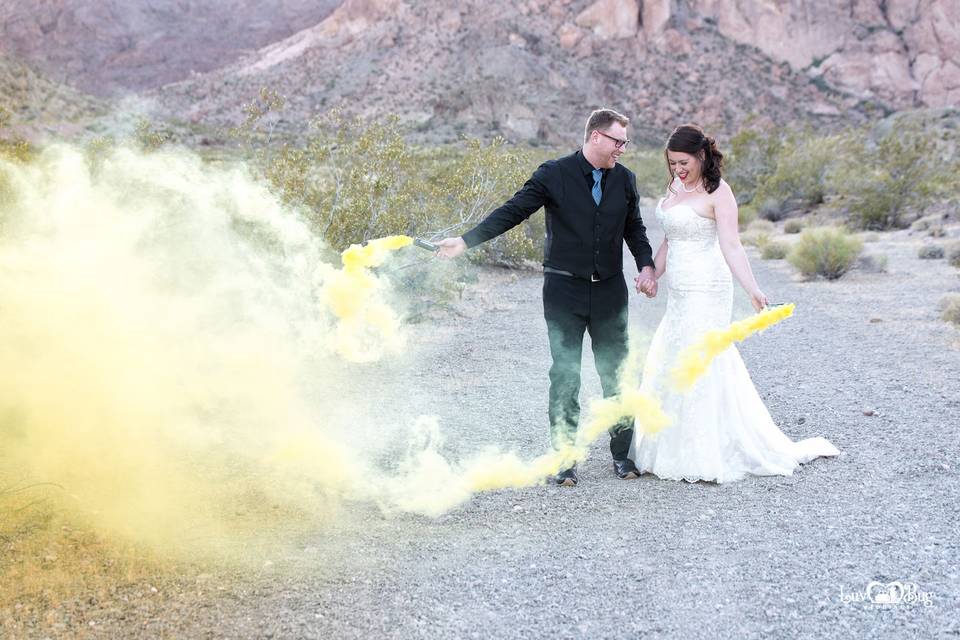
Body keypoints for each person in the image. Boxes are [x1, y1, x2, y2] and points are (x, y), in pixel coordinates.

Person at [436, 108, 657, 486]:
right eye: (618, 141)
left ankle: (622, 456)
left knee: (616, 375)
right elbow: (512, 212)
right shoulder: (553, 174)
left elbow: (634, 228)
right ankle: (565, 460)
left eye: (625, 142)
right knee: (565, 376)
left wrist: (647, 264)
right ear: (595, 137)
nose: (622, 148)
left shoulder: (625, 180)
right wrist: (465, 241)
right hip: (563, 291)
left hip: (609, 291)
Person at [628, 124, 839, 482]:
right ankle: (667, 446)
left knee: (702, 357)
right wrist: (652, 274)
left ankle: (704, 451)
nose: (678, 170)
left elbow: (732, 245)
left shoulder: (718, 192)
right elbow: (670, 238)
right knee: (673, 353)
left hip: (708, 286)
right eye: (672, 164)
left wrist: (753, 289)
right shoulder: (675, 187)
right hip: (679, 290)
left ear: (701, 156)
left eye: (683, 163)